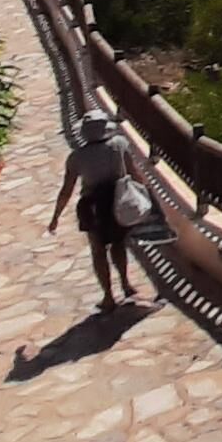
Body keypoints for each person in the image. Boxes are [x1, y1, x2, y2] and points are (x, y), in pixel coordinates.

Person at [46, 109, 143, 310]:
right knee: (118, 245)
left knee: (98, 251)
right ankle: (125, 283)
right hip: (118, 200)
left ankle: (108, 296)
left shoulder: (76, 157)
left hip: (92, 206)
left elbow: (67, 189)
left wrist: (56, 216)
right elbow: (134, 174)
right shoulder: (119, 145)